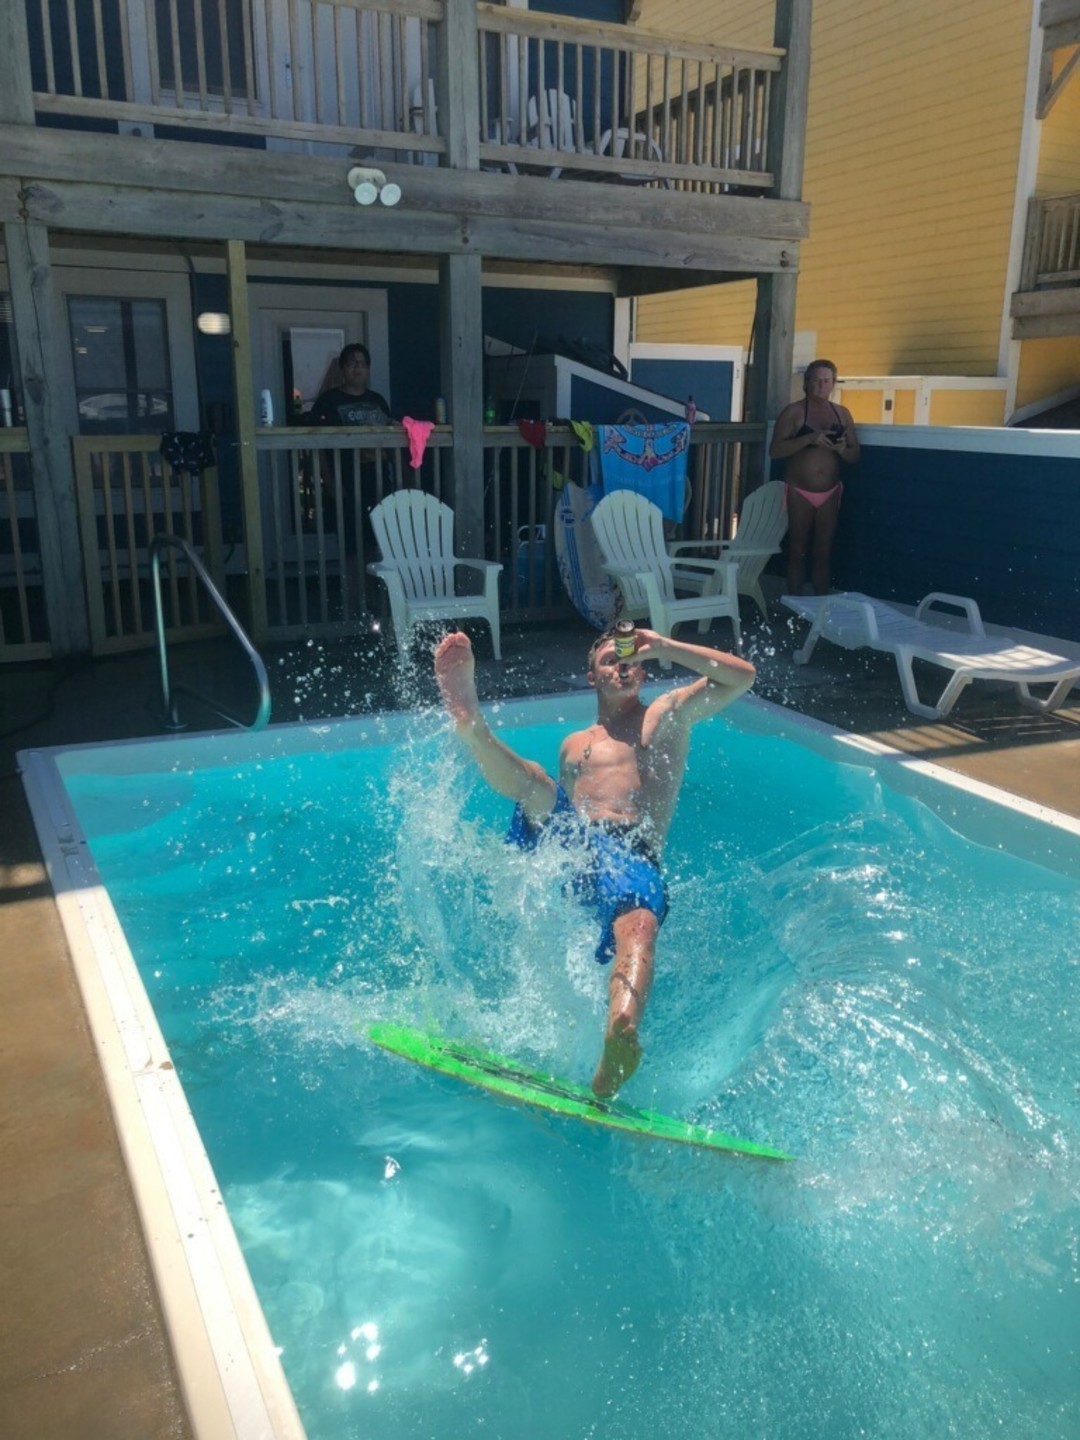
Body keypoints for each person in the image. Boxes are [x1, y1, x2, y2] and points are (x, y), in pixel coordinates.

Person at [434, 625, 756, 1097]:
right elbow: (560, 815)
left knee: (640, 924)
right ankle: (473, 728)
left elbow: (741, 677)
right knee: (537, 785)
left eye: (630, 658)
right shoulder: (573, 744)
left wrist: (665, 646)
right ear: (591, 677)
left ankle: (619, 1038)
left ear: (643, 671)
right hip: (575, 850)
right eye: (610, 659)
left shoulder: (665, 716)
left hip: (632, 853)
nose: (622, 665)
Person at [769, 359, 860, 596]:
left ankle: (821, 607)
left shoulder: (842, 413)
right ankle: (796, 606)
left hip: (830, 491)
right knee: (797, 550)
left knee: (824, 552)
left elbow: (854, 455)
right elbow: (775, 451)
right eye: (816, 380)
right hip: (799, 490)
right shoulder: (794, 411)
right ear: (807, 382)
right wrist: (808, 439)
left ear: (833, 384)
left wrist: (841, 448)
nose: (821, 385)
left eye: (826, 381)